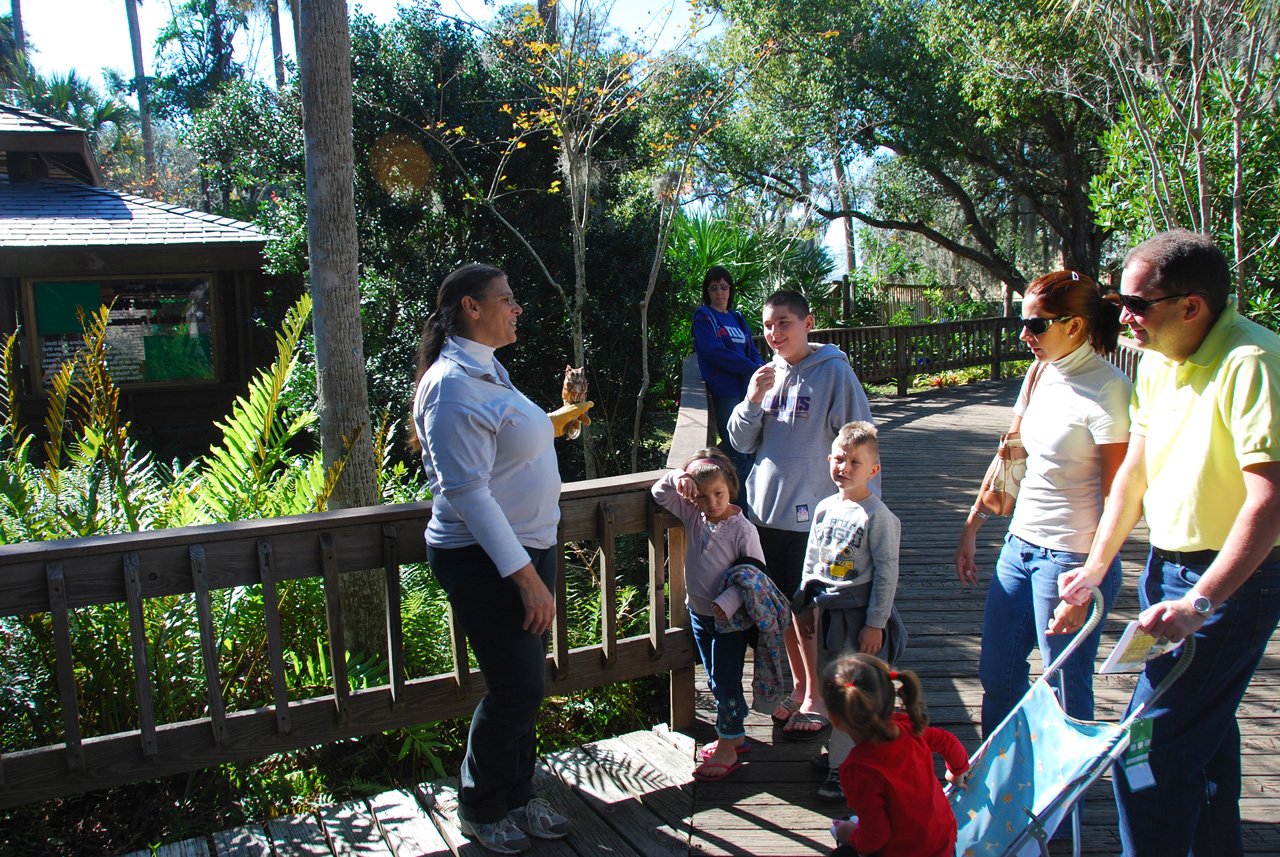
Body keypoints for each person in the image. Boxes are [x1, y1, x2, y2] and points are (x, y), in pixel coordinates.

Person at [1059, 230, 1280, 857]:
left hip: (1231, 585)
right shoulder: (1156, 356)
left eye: (1136, 303)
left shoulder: (1253, 362)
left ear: (1193, 306)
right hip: (1167, 571)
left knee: (1145, 749)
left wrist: (1200, 604)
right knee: (1203, 739)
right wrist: (1096, 567)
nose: (1122, 317)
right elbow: (1135, 471)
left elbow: (1269, 501)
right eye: (1118, 301)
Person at [411, 263, 591, 855]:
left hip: (530, 548)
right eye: (506, 300)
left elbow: (514, 443)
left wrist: (561, 415)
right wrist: (526, 581)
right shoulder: (451, 384)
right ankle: (481, 805)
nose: (517, 309)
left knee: (528, 685)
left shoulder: (489, 371)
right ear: (471, 307)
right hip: (485, 559)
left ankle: (517, 795)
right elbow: (467, 493)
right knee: (516, 690)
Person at [954, 270, 1131, 737]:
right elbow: (1010, 451)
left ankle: (1061, 807)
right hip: (1019, 549)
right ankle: (1002, 790)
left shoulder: (1110, 389)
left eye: (1037, 324)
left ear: (1075, 326)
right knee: (998, 676)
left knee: (1065, 693)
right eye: (1022, 321)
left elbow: (1121, 495)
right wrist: (974, 525)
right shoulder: (1038, 373)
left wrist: (1088, 579)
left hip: (1070, 560)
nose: (1024, 334)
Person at [727, 289, 879, 740]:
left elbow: (861, 439)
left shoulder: (834, 373)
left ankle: (816, 697)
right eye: (769, 325)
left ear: (808, 323)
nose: (775, 333)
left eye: (784, 323)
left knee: (808, 612)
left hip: (811, 517)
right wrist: (752, 400)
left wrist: (865, 508)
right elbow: (740, 442)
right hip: (761, 513)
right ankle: (799, 685)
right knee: (778, 610)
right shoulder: (767, 373)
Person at [650, 447, 778, 782]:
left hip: (730, 620)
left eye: (718, 494)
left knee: (725, 680)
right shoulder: (693, 514)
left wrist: (730, 599)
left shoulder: (742, 529)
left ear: (730, 487)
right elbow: (658, 492)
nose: (712, 503)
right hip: (699, 613)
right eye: (703, 496)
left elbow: (756, 573)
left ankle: (727, 745)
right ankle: (735, 734)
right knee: (713, 678)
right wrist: (678, 478)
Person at [794, 421, 903, 800]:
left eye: (855, 462)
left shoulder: (878, 517)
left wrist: (876, 624)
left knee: (852, 691)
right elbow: (813, 559)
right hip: (826, 611)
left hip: (858, 617)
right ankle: (841, 752)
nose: (845, 467)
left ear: (874, 470)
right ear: (829, 459)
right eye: (839, 459)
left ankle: (846, 768)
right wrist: (804, 601)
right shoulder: (825, 508)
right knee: (831, 684)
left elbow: (888, 572)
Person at [821, 653, 970, 857]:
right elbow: (948, 741)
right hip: (943, 840)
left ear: (835, 721)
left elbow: (875, 838)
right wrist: (957, 772)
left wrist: (848, 835)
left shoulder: (858, 769)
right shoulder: (909, 727)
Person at [692, 266, 766, 498]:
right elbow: (714, 352)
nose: (719, 292)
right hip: (726, 392)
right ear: (708, 291)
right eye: (713, 287)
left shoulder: (737, 318)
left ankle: (756, 502)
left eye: (724, 287)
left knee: (755, 447)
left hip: (749, 392)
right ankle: (742, 509)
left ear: (730, 290)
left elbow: (751, 350)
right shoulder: (704, 316)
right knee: (737, 451)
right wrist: (751, 368)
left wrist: (762, 370)